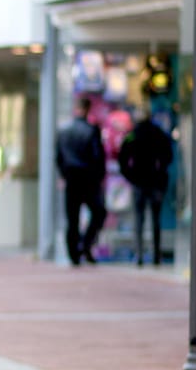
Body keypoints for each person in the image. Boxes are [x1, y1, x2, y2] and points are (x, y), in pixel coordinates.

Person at [56, 94, 108, 266]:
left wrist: (64, 174)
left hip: (71, 179)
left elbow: (58, 157)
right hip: (88, 180)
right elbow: (98, 157)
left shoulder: (64, 131)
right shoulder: (92, 130)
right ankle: (85, 245)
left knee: (72, 218)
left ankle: (74, 254)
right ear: (87, 110)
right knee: (98, 212)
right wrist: (98, 178)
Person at [118, 107, 174, 266]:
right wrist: (160, 170)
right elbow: (168, 155)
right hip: (156, 182)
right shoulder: (159, 133)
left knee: (139, 219)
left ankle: (139, 254)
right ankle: (156, 254)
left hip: (139, 182)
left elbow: (123, 158)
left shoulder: (133, 135)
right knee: (156, 219)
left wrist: (130, 176)